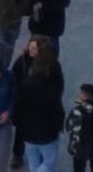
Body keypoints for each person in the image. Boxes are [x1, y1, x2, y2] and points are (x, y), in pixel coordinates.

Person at [10, 36, 66, 172]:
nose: (30, 49)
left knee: (39, 150)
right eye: (30, 46)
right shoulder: (22, 61)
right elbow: (13, 78)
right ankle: (17, 154)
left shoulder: (52, 65)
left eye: (34, 48)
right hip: (25, 104)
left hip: (41, 106)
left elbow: (58, 86)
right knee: (21, 133)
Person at [65, 84, 93, 172]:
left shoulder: (78, 111)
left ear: (85, 97)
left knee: (79, 167)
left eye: (81, 93)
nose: (79, 95)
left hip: (81, 146)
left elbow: (71, 128)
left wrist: (72, 146)